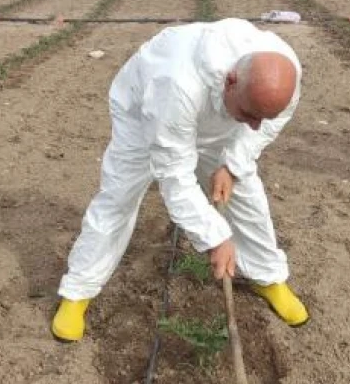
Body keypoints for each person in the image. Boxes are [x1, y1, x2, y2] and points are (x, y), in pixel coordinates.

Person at [51, 18, 309, 343]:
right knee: (119, 197)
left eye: (262, 116)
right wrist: (215, 237)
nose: (256, 126)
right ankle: (78, 292)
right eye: (249, 115)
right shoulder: (176, 84)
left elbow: (269, 124)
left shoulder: (283, 75)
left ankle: (267, 277)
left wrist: (233, 164)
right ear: (230, 80)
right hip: (145, 116)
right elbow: (174, 174)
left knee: (245, 192)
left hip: (219, 116)